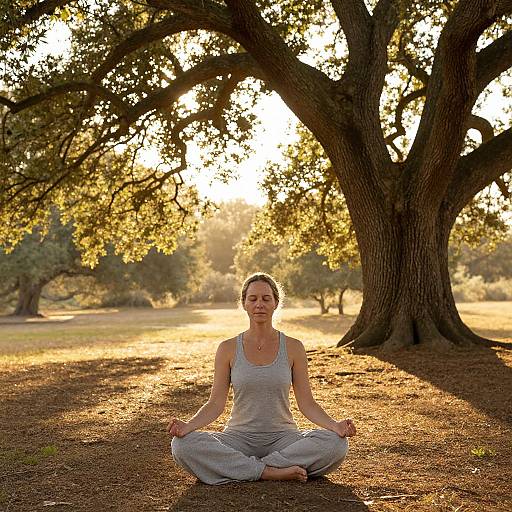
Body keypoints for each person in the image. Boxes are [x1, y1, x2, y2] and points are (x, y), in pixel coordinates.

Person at [168, 272, 356, 485]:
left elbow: (307, 403)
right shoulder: (227, 348)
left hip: (284, 439)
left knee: (336, 444)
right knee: (182, 445)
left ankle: (245, 467)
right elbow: (215, 404)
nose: (259, 304)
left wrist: (335, 425)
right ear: (244, 303)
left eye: (266, 299)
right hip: (238, 438)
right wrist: (188, 426)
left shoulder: (294, 347)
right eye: (253, 299)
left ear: (276, 303)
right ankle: (269, 471)